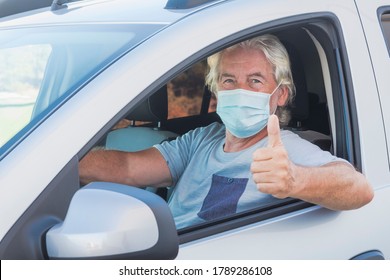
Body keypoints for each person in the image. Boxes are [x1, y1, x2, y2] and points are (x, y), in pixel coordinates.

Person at [79, 34, 374, 229]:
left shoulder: (283, 150)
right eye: (229, 80)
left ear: (280, 95)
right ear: (216, 88)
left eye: (255, 81)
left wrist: (295, 180)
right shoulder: (203, 138)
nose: (240, 90)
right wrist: (58, 166)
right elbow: (129, 167)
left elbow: (359, 190)